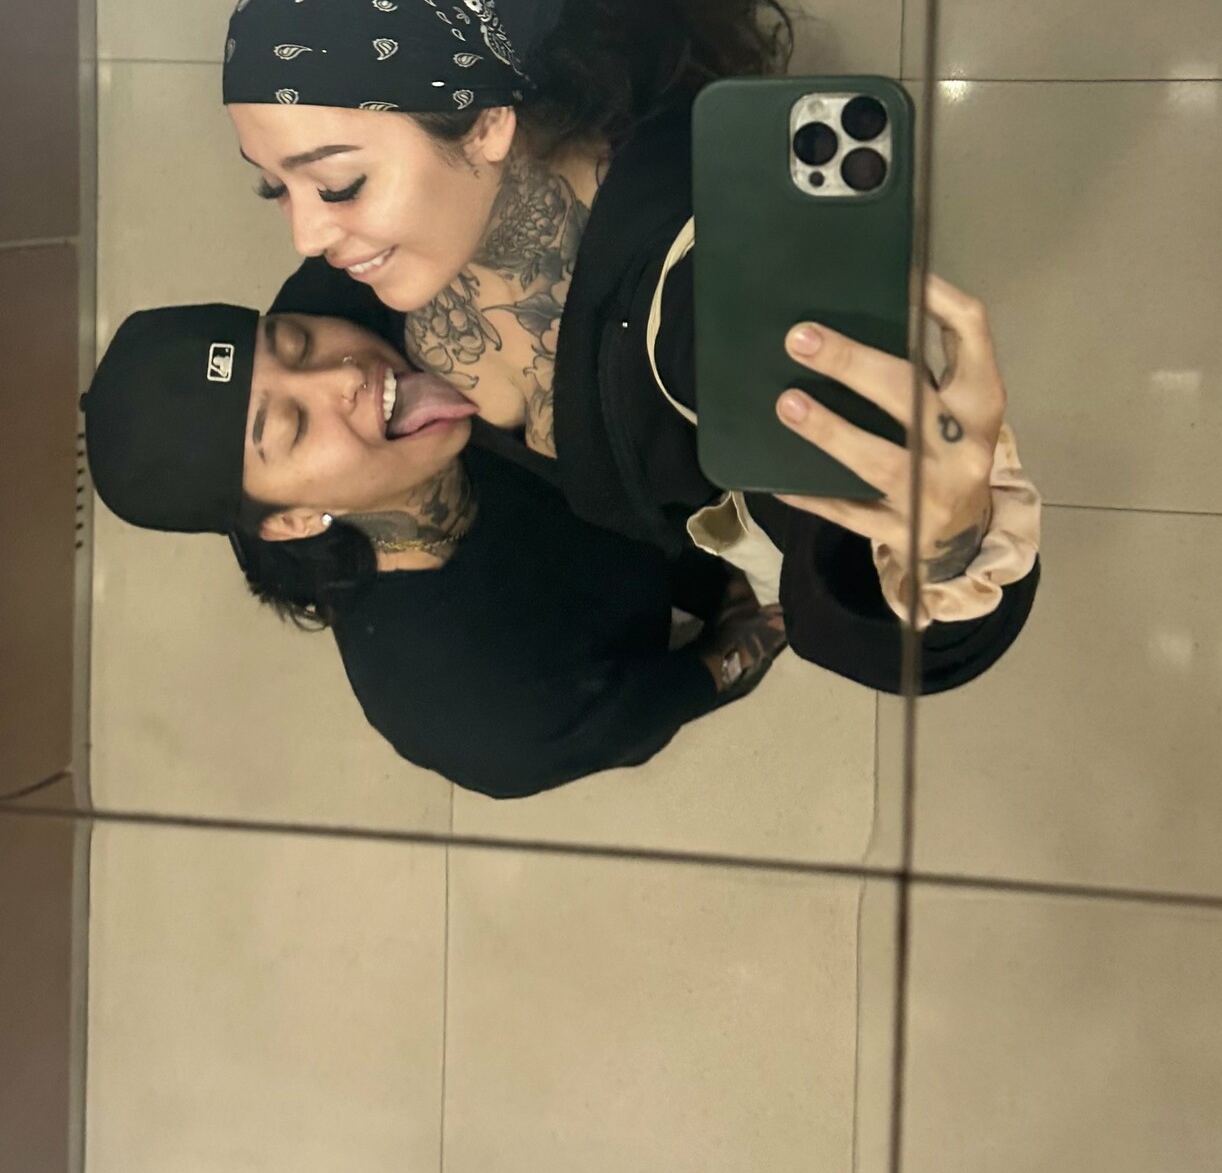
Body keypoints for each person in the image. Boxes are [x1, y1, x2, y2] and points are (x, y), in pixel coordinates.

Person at [221, 0, 1042, 695]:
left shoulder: (714, 310)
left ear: (485, 123)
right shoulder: (385, 278)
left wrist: (948, 543)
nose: (305, 236)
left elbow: (875, 616)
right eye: (273, 187)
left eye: (337, 185)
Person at [81, 301, 787, 800]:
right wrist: (742, 635)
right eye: (293, 427)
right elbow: (664, 697)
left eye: (295, 342)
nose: (345, 376)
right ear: (292, 520)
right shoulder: (464, 703)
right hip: (662, 599)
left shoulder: (371, 293)